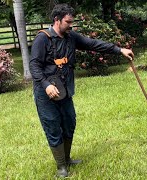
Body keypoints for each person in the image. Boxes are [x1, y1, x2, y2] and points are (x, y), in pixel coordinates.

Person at [29, 3, 134, 178]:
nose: (71, 25)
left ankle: (67, 158)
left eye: (72, 21)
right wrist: (46, 85)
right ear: (57, 20)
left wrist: (119, 49)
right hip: (46, 92)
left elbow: (93, 44)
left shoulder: (71, 37)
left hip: (65, 90)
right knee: (53, 126)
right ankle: (61, 166)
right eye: (68, 21)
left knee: (69, 123)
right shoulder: (43, 39)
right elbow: (34, 65)